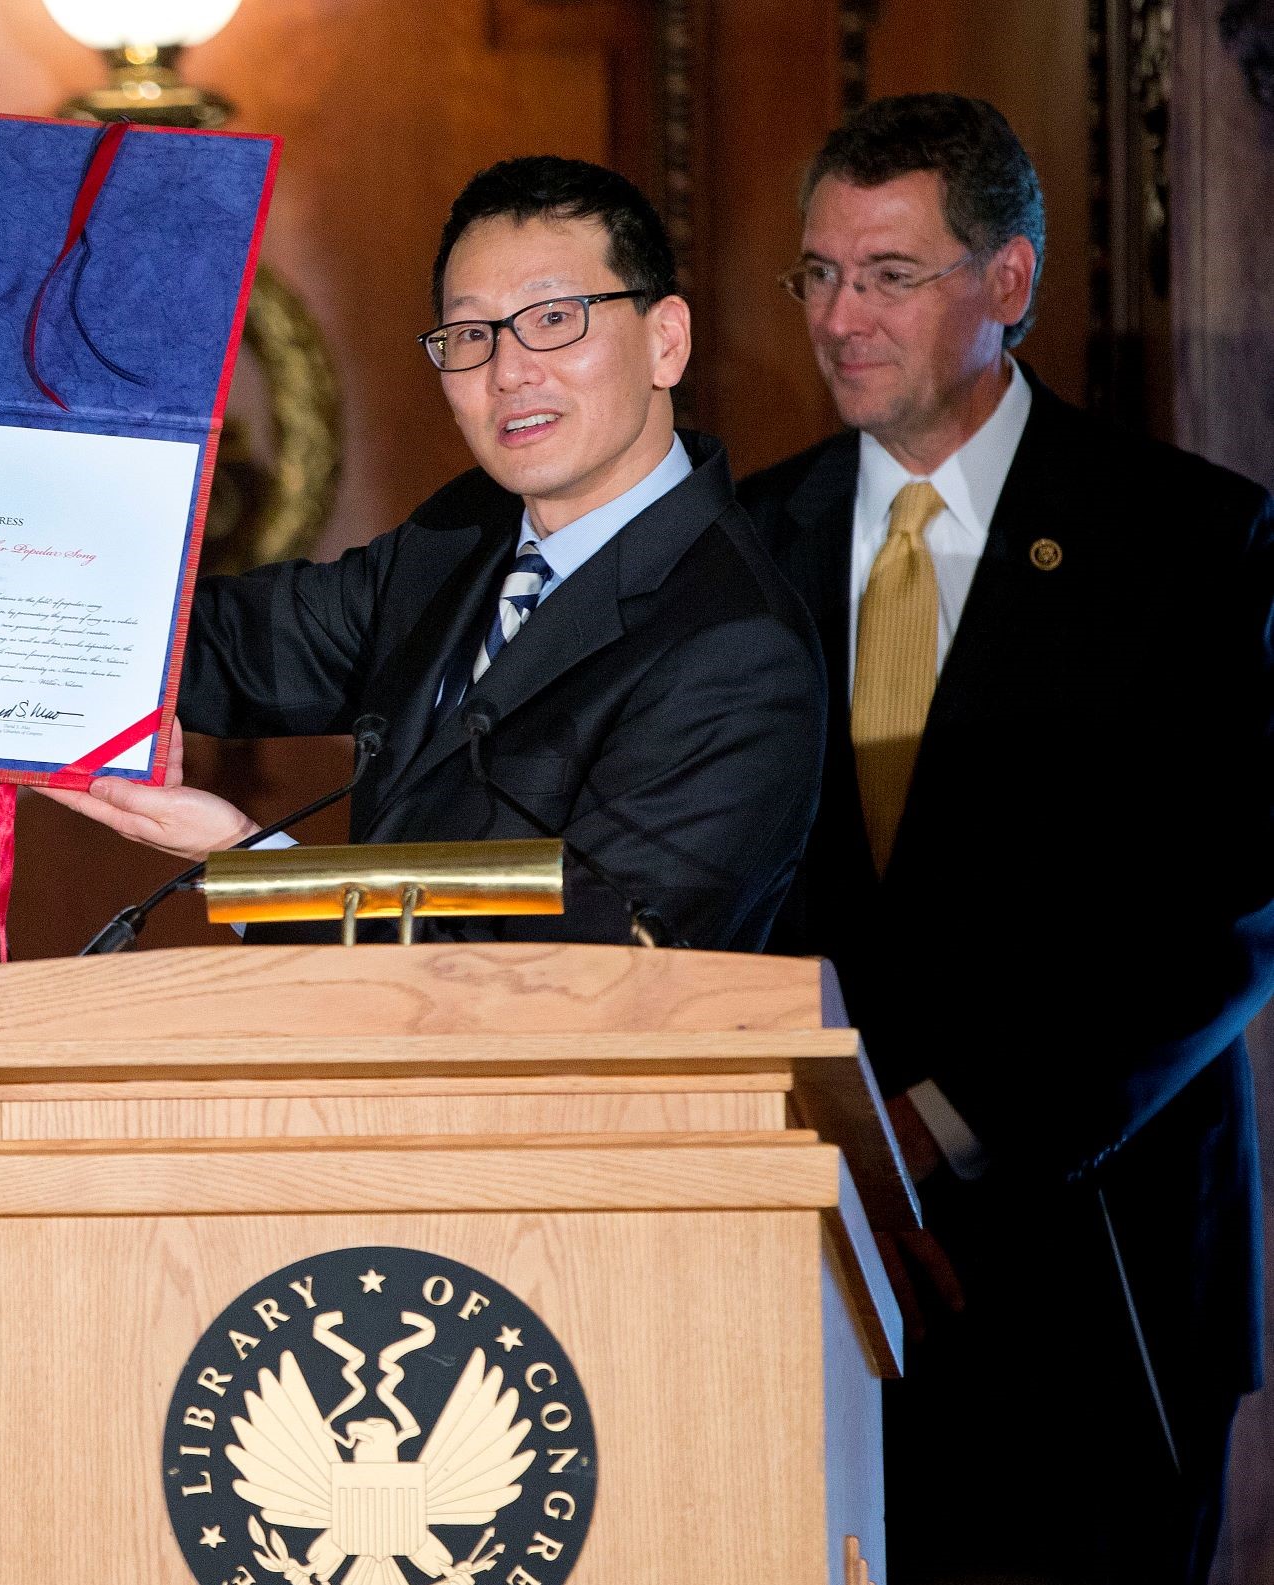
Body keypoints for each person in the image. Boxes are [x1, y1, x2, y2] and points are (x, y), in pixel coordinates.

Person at [0, 157, 827, 950]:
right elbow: (177, 644)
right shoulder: (459, 542)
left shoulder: (734, 645)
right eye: (469, 334)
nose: (508, 369)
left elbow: (582, 965)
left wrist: (250, 856)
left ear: (664, 338)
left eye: (555, 319)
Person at [741, 93, 1274, 1584]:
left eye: (890, 274)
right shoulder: (740, 544)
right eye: (819, 274)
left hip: (1094, 1282)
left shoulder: (1187, 543)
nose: (841, 317)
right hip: (812, 1265)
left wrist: (939, 1123)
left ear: (1009, 284)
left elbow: (1226, 909)